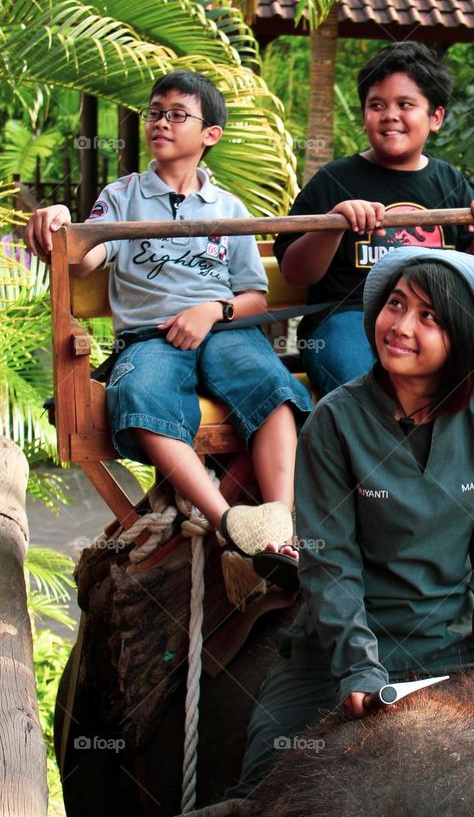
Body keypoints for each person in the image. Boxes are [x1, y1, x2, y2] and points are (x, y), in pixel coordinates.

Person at [234, 246, 474, 796]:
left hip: (458, 643)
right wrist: (358, 667)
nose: (400, 326)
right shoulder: (335, 420)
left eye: (428, 316)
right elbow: (329, 559)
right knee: (263, 780)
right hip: (341, 652)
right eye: (395, 305)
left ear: (463, 337)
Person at [276, 40, 474, 590]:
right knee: (370, 376)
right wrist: (334, 224)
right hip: (351, 322)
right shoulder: (334, 181)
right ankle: (402, 528)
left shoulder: (447, 182)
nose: (390, 116)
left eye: (406, 104)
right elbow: (296, 270)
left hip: (440, 326)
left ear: (436, 117)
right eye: (377, 104)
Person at [25, 70, 312, 584]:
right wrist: (60, 222)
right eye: (155, 113)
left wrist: (212, 311)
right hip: (150, 337)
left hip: (224, 331)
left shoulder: (229, 209)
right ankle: (229, 522)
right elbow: (85, 259)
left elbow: (254, 297)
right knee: (140, 393)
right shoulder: (122, 196)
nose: (161, 122)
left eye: (177, 115)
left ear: (210, 134)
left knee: (272, 387)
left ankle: (279, 525)